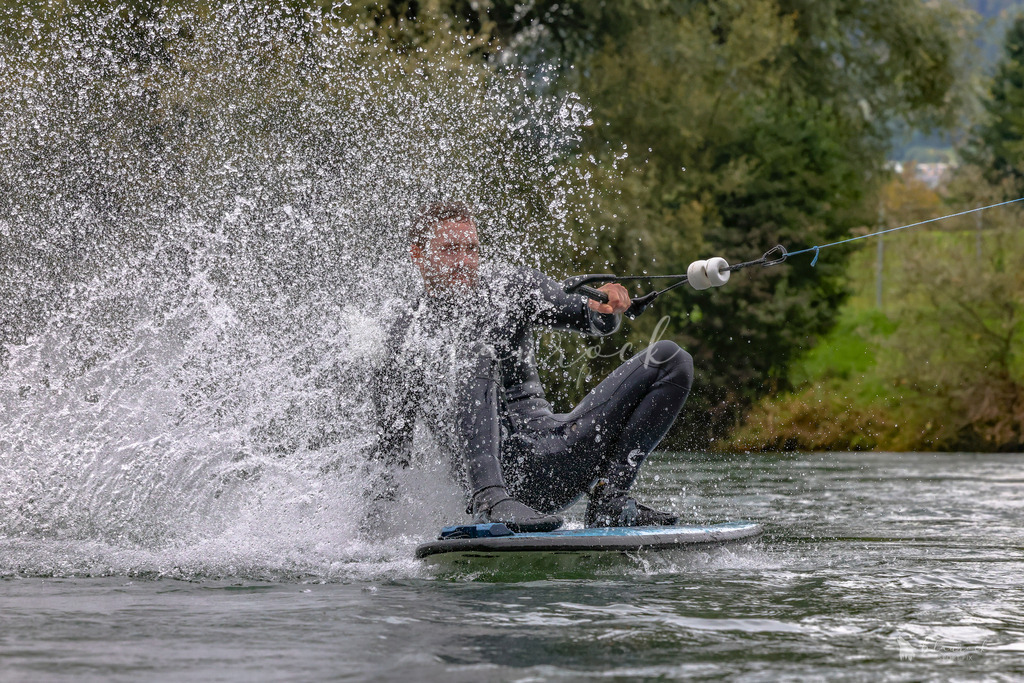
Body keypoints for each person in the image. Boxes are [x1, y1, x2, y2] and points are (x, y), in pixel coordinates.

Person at [369, 202, 693, 531]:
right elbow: (391, 454)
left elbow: (585, 314)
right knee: (473, 350)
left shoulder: (510, 289)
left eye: (472, 249)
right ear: (418, 255)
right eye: (451, 250)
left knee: (671, 359)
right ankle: (490, 500)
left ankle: (609, 498)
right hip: (488, 479)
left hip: (551, 456)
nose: (464, 261)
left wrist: (602, 307)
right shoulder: (403, 338)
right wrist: (369, 535)